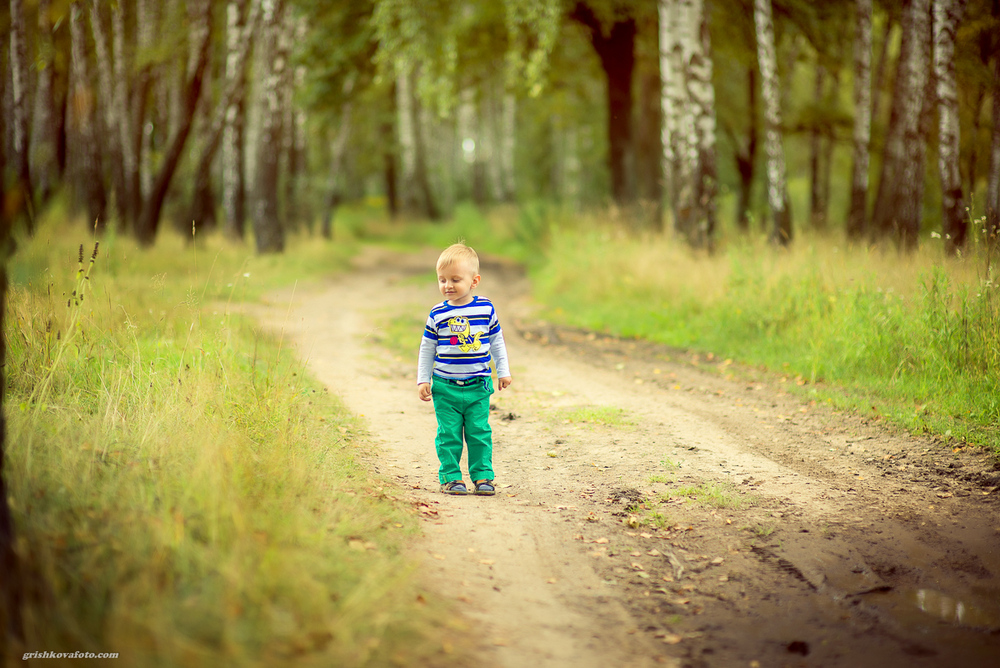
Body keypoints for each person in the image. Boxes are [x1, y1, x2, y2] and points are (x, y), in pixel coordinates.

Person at [417, 243, 512, 495]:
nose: (447, 285)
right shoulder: (437, 314)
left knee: (479, 432)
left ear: (474, 281)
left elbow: (497, 342)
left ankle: (483, 477)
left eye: (455, 279)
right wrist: (422, 379)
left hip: (478, 386)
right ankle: (450, 476)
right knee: (448, 434)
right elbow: (427, 349)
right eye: (442, 280)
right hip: (445, 387)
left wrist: (503, 370)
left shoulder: (485, 309)